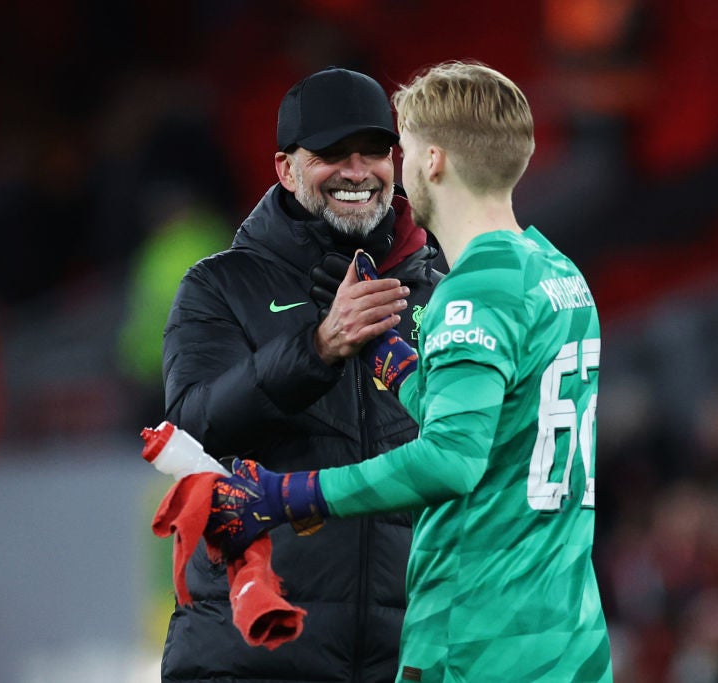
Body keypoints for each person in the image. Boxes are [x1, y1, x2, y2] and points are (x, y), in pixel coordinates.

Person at [207, 61, 614, 682]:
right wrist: (388, 357)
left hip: (477, 638)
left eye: (405, 147)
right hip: (567, 635)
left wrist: (285, 496)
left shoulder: (472, 289)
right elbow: (494, 422)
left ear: (434, 161)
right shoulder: (557, 273)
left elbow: (450, 459)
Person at [159, 66, 445, 682]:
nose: (357, 170)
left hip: (406, 661)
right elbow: (192, 429)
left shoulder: (442, 296)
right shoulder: (222, 287)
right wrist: (316, 349)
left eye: (374, 151)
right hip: (253, 655)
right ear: (286, 169)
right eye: (331, 154)